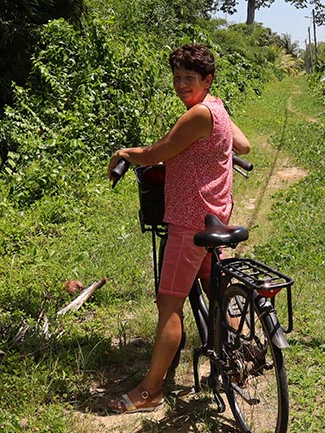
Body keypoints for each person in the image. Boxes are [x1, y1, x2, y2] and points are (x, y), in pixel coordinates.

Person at [106, 42, 250, 414]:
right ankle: (238, 352)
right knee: (213, 286)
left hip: (189, 221)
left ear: (208, 79)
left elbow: (156, 153)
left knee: (169, 304)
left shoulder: (198, 115)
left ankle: (150, 391)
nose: (182, 84)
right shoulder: (218, 107)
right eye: (178, 77)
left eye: (190, 78)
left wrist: (124, 154)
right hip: (216, 213)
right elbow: (243, 145)